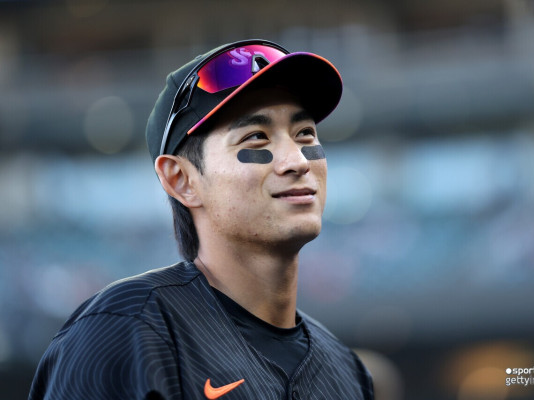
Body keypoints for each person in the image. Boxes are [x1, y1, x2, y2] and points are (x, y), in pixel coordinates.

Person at [29, 39, 374, 400]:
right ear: (182, 180)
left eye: (304, 134)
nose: (298, 161)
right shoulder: (127, 328)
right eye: (256, 137)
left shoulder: (347, 372)